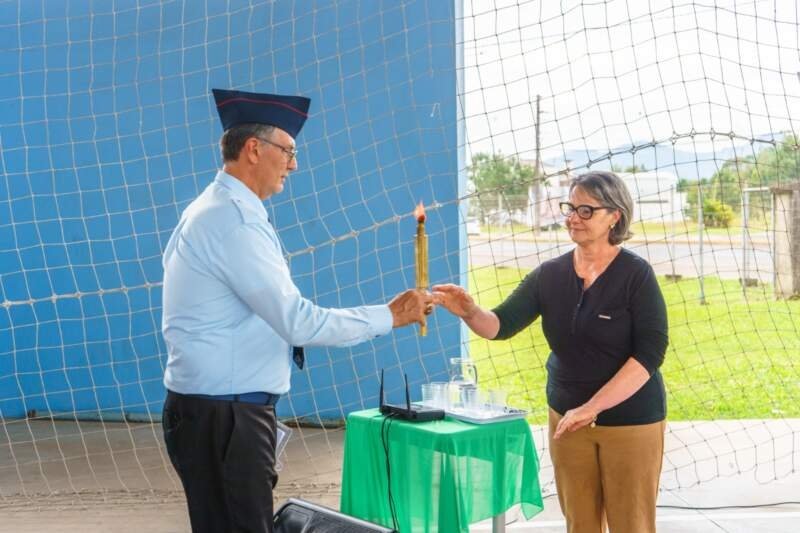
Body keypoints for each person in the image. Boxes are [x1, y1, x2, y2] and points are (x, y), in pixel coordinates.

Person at [160, 88, 433, 533]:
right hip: (225, 419)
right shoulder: (233, 221)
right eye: (288, 151)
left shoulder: (221, 210)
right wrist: (390, 315)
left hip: (219, 413)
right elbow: (298, 321)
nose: (294, 163)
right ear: (253, 149)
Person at [433, 171, 668, 533]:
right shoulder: (549, 274)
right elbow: (500, 325)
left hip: (630, 422)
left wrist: (592, 407)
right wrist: (469, 310)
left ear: (615, 216)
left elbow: (650, 355)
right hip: (567, 421)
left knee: (632, 525)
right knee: (579, 524)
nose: (573, 217)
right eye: (570, 208)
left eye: (586, 210)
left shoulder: (636, 275)